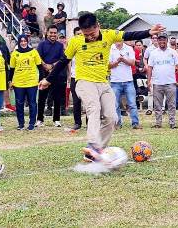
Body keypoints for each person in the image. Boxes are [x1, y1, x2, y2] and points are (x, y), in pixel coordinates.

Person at [39, 13, 162, 161]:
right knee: (94, 108)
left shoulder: (108, 35)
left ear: (98, 26)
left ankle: (94, 152)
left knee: (112, 118)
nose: (89, 37)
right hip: (84, 82)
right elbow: (62, 62)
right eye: (86, 34)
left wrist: (148, 32)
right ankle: (93, 145)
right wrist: (48, 80)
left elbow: (129, 34)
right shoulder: (76, 42)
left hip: (103, 83)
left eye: (92, 33)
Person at [148, 33, 178, 129]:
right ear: (157, 41)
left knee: (171, 104)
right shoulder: (153, 53)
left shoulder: (173, 52)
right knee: (157, 105)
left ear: (167, 41)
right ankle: (158, 123)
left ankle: (172, 123)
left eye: (163, 40)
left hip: (170, 82)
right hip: (157, 83)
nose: (161, 41)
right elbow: (150, 68)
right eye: (160, 40)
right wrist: (149, 80)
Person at [9, 35, 42, 130]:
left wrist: (40, 80)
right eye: (21, 41)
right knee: (19, 103)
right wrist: (9, 81)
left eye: (25, 41)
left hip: (32, 83)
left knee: (32, 103)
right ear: (19, 42)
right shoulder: (15, 53)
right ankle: (21, 124)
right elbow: (11, 69)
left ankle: (32, 124)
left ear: (28, 42)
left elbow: (40, 67)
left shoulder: (34, 52)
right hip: (18, 83)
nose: (23, 43)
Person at [37, 26, 66, 127]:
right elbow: (38, 57)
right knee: (41, 98)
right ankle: (40, 119)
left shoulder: (60, 45)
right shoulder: (41, 44)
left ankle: (56, 119)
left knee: (57, 97)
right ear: (47, 33)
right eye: (51, 33)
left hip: (56, 74)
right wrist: (45, 66)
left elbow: (62, 59)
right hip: (44, 74)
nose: (53, 35)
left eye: (55, 33)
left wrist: (52, 66)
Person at [109, 41, 141, 129]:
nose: (118, 41)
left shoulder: (129, 48)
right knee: (115, 104)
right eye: (116, 39)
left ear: (122, 39)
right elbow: (108, 65)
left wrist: (123, 60)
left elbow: (132, 63)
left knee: (132, 103)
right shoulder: (110, 48)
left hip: (128, 81)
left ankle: (135, 123)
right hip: (115, 81)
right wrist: (118, 61)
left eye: (120, 38)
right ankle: (118, 123)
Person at [68, 27, 84, 130]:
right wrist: (69, 75)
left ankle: (90, 123)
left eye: (81, 33)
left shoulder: (88, 46)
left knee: (88, 102)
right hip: (75, 77)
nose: (80, 35)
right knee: (76, 101)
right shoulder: (72, 46)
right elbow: (68, 61)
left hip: (86, 77)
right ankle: (77, 122)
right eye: (78, 34)